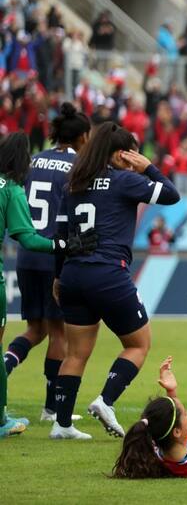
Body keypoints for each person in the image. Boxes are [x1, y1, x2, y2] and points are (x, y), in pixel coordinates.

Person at [50, 122, 180, 440]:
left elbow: (61, 236)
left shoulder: (74, 184)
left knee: (75, 353)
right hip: (108, 273)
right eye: (132, 152)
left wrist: (58, 276)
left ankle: (61, 424)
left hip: (73, 275)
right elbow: (171, 195)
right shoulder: (125, 180)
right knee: (138, 344)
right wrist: (147, 166)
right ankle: (105, 400)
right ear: (123, 153)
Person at [0, 132, 95, 438]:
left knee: (36, 329)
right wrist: (64, 245)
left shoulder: (34, 169)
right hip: (41, 254)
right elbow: (27, 236)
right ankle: (40, 411)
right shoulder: (12, 189)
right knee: (57, 332)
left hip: (26, 265)